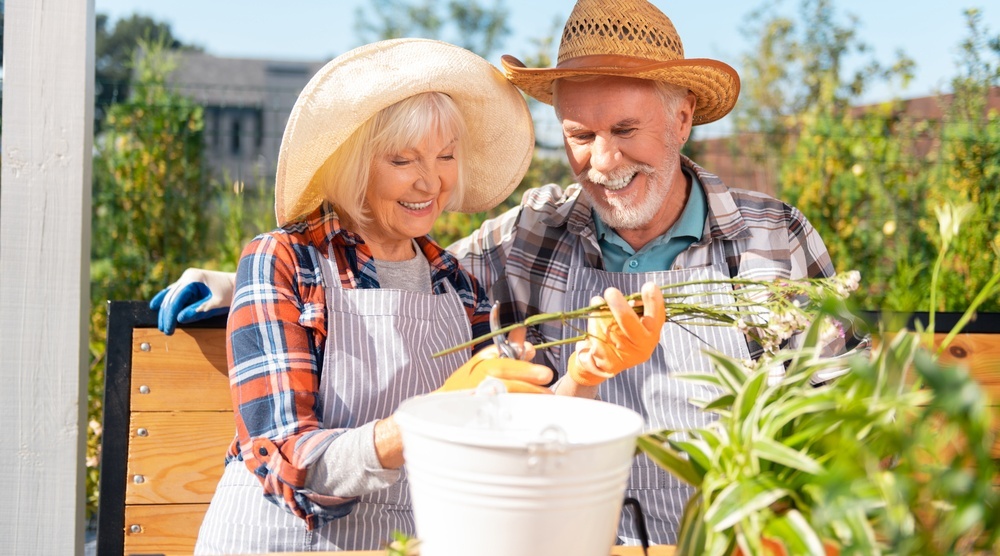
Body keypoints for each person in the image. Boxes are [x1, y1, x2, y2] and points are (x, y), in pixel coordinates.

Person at [154, 0, 845, 546]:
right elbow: (371, 268)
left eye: (626, 131)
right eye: (580, 136)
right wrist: (238, 286)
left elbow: (841, 411)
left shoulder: (770, 239)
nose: (603, 160)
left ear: (682, 117)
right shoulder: (532, 235)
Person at [186, 38, 658, 554]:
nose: (429, 180)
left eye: (446, 155)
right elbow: (287, 461)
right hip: (281, 540)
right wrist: (434, 413)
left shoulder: (459, 286)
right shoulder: (286, 260)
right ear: (355, 162)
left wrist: (585, 375)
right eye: (402, 159)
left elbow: (513, 442)